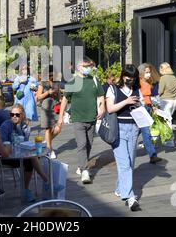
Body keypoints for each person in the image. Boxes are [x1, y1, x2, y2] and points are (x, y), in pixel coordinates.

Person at [0, 104, 63, 202]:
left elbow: (25, 144)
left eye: (17, 115)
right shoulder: (5, 125)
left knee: (31, 159)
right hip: (8, 157)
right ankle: (47, 183)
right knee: (32, 158)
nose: (14, 117)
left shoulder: (25, 127)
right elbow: (4, 145)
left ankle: (27, 190)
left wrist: (20, 128)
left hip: (21, 156)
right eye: (12, 114)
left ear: (23, 115)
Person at [57, 57, 105, 184]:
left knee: (89, 143)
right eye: (86, 66)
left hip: (92, 117)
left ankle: (81, 165)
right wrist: (61, 116)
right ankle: (84, 170)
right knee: (82, 144)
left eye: (90, 66)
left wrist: (102, 108)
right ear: (79, 67)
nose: (89, 68)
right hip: (78, 118)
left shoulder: (94, 80)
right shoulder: (72, 82)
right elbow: (65, 100)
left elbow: (101, 96)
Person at [106, 64, 143, 211]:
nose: (131, 80)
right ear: (123, 76)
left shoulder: (136, 90)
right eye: (129, 77)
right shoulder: (113, 89)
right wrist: (126, 101)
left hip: (134, 129)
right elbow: (110, 109)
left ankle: (120, 188)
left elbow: (140, 109)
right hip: (119, 129)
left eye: (133, 78)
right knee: (124, 164)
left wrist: (140, 104)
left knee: (131, 163)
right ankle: (130, 197)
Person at [138, 63, 162, 164]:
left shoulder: (147, 82)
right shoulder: (138, 82)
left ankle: (152, 155)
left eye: (149, 72)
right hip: (141, 109)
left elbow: (148, 97)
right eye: (146, 72)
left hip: (147, 107)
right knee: (146, 132)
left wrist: (152, 106)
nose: (148, 74)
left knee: (143, 131)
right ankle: (152, 155)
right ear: (141, 72)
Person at [36, 65, 62, 159]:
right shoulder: (42, 83)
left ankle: (47, 143)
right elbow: (38, 97)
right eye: (50, 74)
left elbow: (59, 94)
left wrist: (61, 101)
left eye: (53, 74)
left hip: (55, 107)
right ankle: (49, 149)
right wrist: (48, 93)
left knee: (58, 128)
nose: (52, 76)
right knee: (48, 129)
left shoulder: (57, 82)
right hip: (46, 108)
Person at [159, 62, 176, 147]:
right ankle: (166, 138)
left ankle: (170, 141)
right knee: (168, 119)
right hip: (174, 100)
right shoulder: (174, 77)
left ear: (162, 69)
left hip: (166, 101)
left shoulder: (163, 78)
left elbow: (160, 91)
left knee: (167, 121)